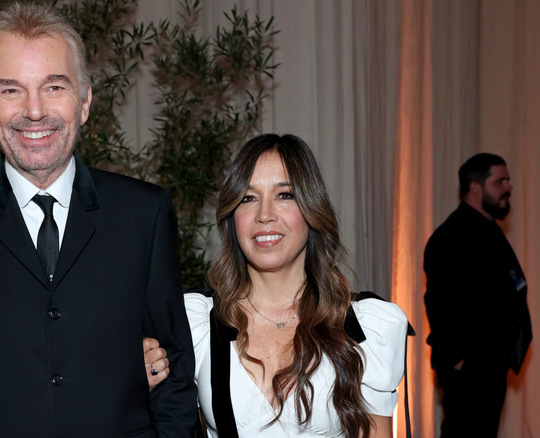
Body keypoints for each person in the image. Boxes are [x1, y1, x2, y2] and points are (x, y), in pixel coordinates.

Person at [0, 3, 197, 436]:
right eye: (11, 90)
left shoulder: (143, 214)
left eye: (54, 87)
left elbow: (175, 374)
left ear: (86, 100)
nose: (34, 111)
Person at [153, 134, 409, 437]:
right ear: (232, 217)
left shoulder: (363, 328)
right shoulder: (195, 324)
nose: (264, 215)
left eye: (284, 195)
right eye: (248, 198)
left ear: (312, 209)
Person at [424, 153, 531, 437]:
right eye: (500, 181)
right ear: (475, 187)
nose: (508, 188)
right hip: (469, 370)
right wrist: (459, 360)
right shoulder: (451, 237)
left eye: (507, 180)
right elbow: (439, 302)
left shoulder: (490, 232)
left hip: (490, 364)